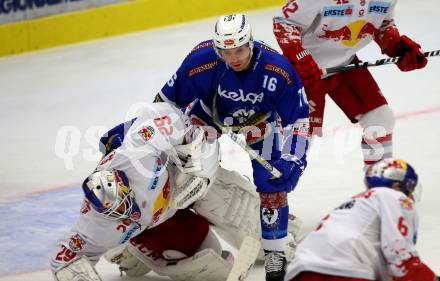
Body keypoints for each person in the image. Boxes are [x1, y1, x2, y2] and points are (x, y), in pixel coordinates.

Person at [154, 13, 310, 281]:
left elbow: (298, 119)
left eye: (239, 49)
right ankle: (159, 228)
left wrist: (293, 159)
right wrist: (154, 139)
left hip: (261, 125)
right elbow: (164, 103)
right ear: (217, 49)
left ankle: (275, 253)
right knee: (183, 170)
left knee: (273, 183)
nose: (234, 58)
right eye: (226, 52)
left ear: (250, 43)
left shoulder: (278, 70)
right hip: (207, 117)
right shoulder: (200, 61)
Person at [50, 102, 263, 281]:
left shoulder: (135, 154)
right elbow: (65, 257)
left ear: (123, 183)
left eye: (124, 200)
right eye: (117, 211)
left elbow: (174, 118)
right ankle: (128, 248)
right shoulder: (96, 224)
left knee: (221, 198)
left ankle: (269, 232)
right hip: (157, 223)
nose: (126, 209)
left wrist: (200, 170)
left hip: (177, 188)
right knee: (210, 256)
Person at [273, 0, 428, 168]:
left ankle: (377, 182)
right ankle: (271, 186)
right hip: (305, 72)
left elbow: (382, 24)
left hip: (346, 65)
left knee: (381, 119)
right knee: (299, 138)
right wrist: (299, 56)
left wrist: (399, 48)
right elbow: (284, 22)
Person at [286, 158, 438, 281]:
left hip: (298, 271)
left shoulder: (352, 206)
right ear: (398, 186)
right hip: (343, 270)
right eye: (410, 188)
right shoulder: (394, 197)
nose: (410, 196)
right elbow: (399, 255)